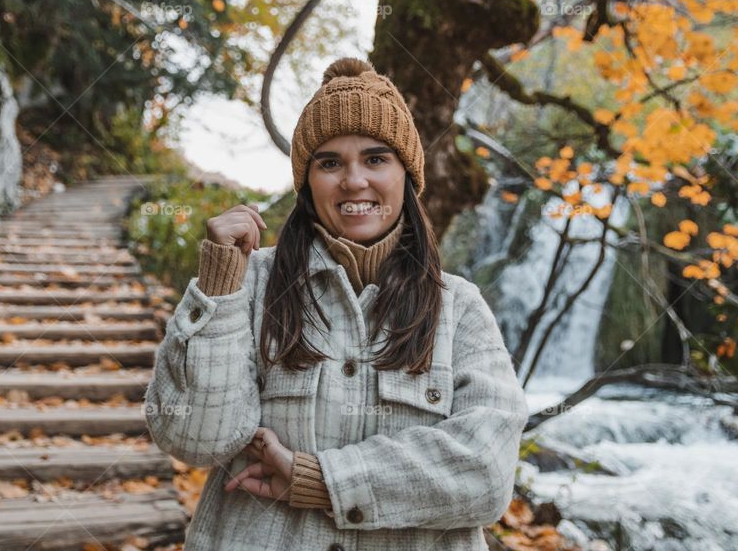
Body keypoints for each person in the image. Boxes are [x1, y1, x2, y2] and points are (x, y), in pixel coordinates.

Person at [144, 57, 529, 550]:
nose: (353, 181)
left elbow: (487, 472)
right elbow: (196, 439)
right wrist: (219, 287)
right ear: (307, 183)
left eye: (375, 159)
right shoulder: (249, 283)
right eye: (329, 163)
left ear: (406, 175)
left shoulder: (460, 308)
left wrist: (321, 480)